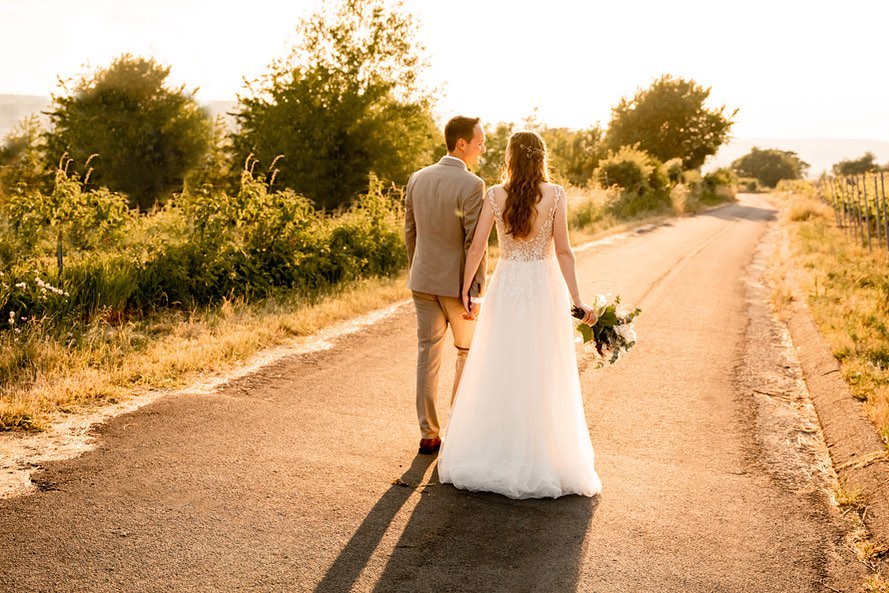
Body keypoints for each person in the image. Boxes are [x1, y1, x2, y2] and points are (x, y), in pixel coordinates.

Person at [437, 130, 603, 499]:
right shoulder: (556, 194)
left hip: (508, 285)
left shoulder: (496, 195)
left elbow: (477, 246)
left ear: (510, 157)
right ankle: (543, 454)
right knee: (545, 367)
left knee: (501, 363)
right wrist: (577, 298)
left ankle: (497, 450)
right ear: (542, 157)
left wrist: (467, 289)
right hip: (544, 288)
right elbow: (564, 252)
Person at [403, 116, 487, 455]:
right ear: (462, 143)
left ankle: (429, 434)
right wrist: (475, 291)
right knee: (465, 354)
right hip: (457, 289)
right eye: (479, 141)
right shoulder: (472, 185)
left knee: (428, 354)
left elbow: (410, 232)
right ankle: (457, 430)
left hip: (422, 282)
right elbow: (474, 244)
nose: (483, 147)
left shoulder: (417, 178)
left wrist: (417, 269)